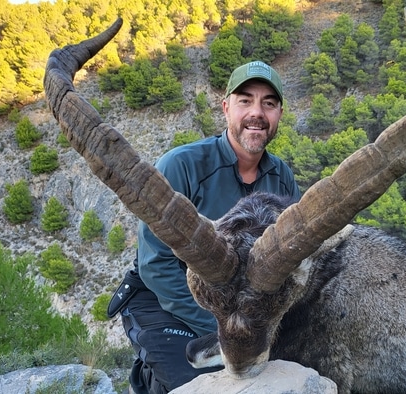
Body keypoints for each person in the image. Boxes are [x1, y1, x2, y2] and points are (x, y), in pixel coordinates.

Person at [108, 60, 302, 394]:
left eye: (268, 103)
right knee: (202, 385)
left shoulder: (281, 176)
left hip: (244, 309)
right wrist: (230, 327)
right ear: (226, 107)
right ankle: (149, 379)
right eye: (245, 100)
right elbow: (156, 266)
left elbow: (293, 259)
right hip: (167, 300)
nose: (257, 112)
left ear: (279, 114)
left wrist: (256, 323)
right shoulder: (181, 166)